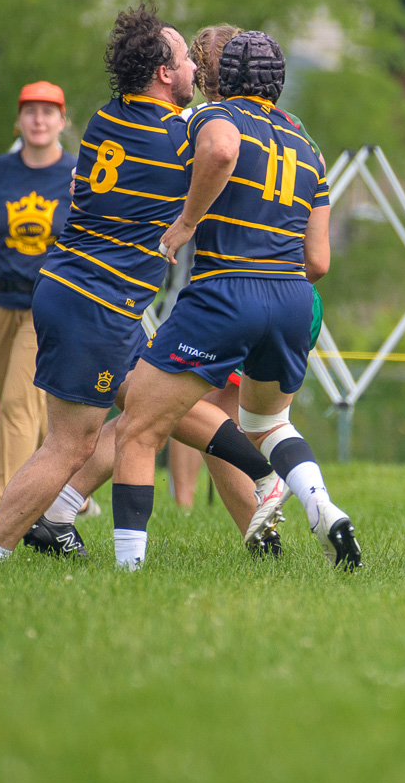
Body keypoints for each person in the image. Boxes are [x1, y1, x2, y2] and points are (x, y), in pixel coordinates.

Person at [0, 7, 281, 565]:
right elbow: (220, 149)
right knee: (71, 443)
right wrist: (189, 220)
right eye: (185, 59)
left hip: (75, 291)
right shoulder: (179, 134)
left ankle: (265, 483)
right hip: (98, 304)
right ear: (164, 73)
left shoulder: (103, 118)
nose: (191, 65)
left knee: (159, 402)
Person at [109, 29, 361, 571]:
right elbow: (319, 262)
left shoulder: (213, 117)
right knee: (268, 425)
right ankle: (325, 508)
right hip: (293, 299)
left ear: (224, 76)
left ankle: (127, 569)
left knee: (137, 426)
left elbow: (219, 151)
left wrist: (187, 222)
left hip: (225, 290)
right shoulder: (309, 146)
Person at [0, 81, 77, 512]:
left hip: (46, 308)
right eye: (30, 111)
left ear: (63, 121)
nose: (39, 120)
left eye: (48, 111)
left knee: (17, 405)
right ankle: (65, 493)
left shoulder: (79, 176)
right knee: (28, 408)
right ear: (19, 120)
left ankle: (3, 503)